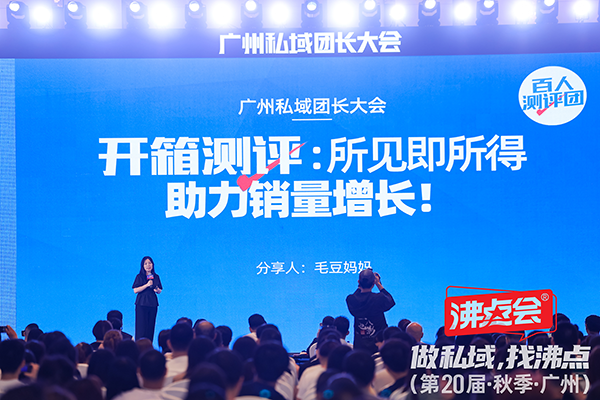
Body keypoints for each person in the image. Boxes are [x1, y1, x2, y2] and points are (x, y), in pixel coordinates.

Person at [346, 269, 395, 354]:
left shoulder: (351, 299)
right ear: (373, 283)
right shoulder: (378, 298)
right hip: (378, 346)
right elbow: (390, 301)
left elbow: (356, 296)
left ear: (358, 282)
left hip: (360, 348)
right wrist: (378, 284)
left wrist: (361, 284)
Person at [132, 256, 163, 342]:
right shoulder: (139, 276)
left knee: (150, 326)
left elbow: (160, 290)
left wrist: (157, 289)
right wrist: (147, 285)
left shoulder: (156, 276)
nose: (148, 265)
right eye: (145, 263)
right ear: (142, 266)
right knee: (141, 327)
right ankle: (139, 345)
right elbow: (135, 290)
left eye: (149, 263)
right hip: (141, 303)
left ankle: (149, 344)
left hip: (152, 303)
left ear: (153, 264)